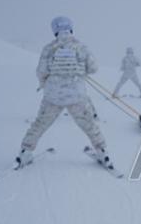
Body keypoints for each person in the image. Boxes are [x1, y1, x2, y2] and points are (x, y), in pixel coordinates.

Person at [16, 16, 112, 168]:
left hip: (53, 96)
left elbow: (41, 71)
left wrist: (44, 84)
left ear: (54, 30)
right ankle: (102, 153)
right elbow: (94, 68)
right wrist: (81, 71)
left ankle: (25, 153)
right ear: (71, 28)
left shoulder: (49, 48)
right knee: (89, 125)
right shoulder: (81, 47)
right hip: (77, 96)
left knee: (40, 124)